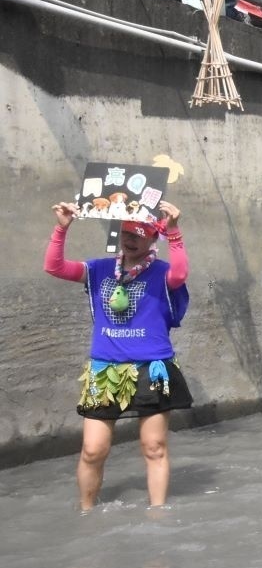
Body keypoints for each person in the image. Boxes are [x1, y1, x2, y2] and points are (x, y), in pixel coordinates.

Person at [44, 201, 191, 511]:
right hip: (103, 370)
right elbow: (54, 267)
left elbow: (180, 275)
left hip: (151, 368)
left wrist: (174, 232)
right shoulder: (98, 269)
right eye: (127, 232)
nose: (131, 238)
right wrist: (62, 227)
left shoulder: (163, 272)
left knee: (154, 447)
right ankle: (86, 512)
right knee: (92, 450)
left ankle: (158, 516)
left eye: (140, 233)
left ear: (153, 239)